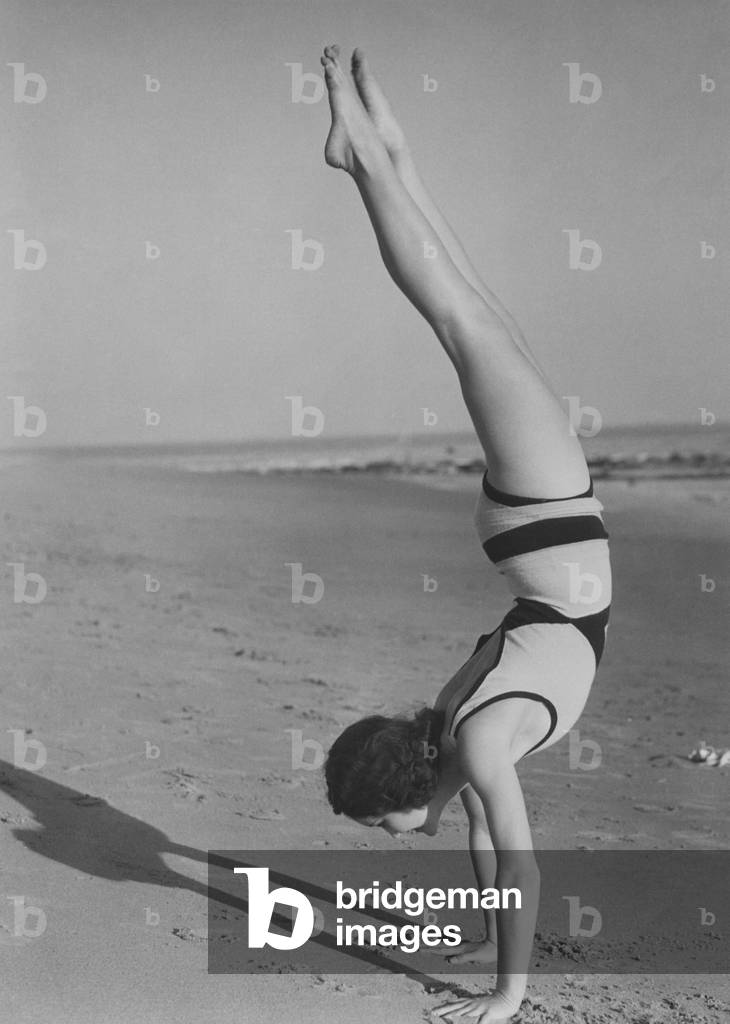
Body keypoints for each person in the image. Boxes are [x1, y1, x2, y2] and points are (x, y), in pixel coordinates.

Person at [320, 44, 612, 1023]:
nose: (393, 831)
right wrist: (490, 935)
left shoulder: (474, 738)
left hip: (551, 529)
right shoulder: (459, 736)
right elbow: (489, 834)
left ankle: (364, 160)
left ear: (407, 792)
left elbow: (514, 852)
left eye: (383, 823)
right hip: (542, 542)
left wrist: (504, 997)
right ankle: (391, 154)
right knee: (480, 312)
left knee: (461, 318)